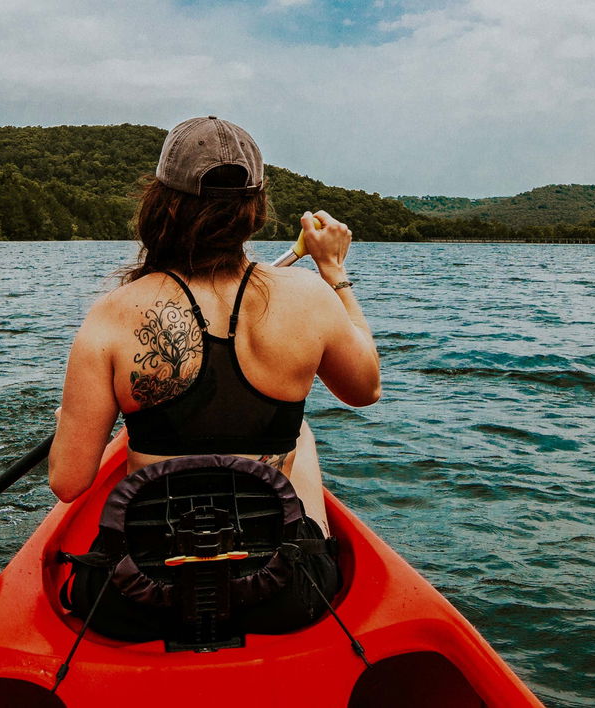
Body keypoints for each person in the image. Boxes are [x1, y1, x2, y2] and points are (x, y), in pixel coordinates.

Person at [48, 116, 380, 538]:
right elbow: (365, 390)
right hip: (272, 575)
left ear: (160, 202)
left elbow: (68, 482)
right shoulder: (310, 296)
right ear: (255, 209)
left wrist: (69, 424)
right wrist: (333, 270)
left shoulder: (113, 312)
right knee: (301, 431)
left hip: (154, 578)